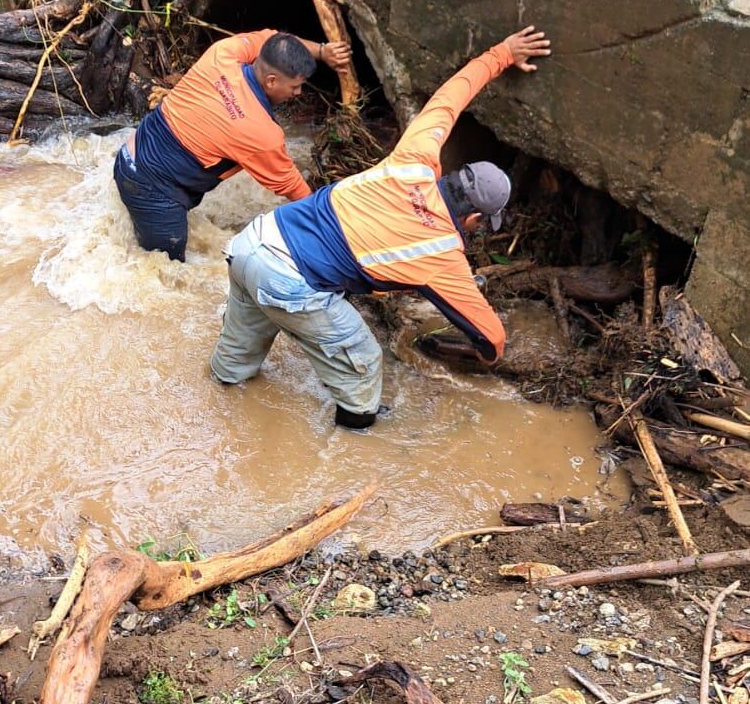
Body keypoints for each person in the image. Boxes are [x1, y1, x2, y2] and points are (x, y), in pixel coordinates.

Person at [210, 25, 551, 428]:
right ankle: (354, 441)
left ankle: (217, 405)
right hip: (288, 278)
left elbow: (452, 96)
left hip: (255, 240)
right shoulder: (442, 255)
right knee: (365, 363)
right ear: (473, 220)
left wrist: (503, 51)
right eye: (481, 225)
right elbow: (491, 337)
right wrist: (488, 358)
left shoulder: (416, 155)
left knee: (235, 363)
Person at [114, 28, 351, 260]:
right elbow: (294, 188)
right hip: (151, 193)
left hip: (127, 155)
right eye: (295, 86)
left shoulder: (224, 53)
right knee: (168, 270)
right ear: (271, 81)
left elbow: (272, 38)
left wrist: (322, 51)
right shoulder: (260, 133)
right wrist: (332, 230)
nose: (299, 93)